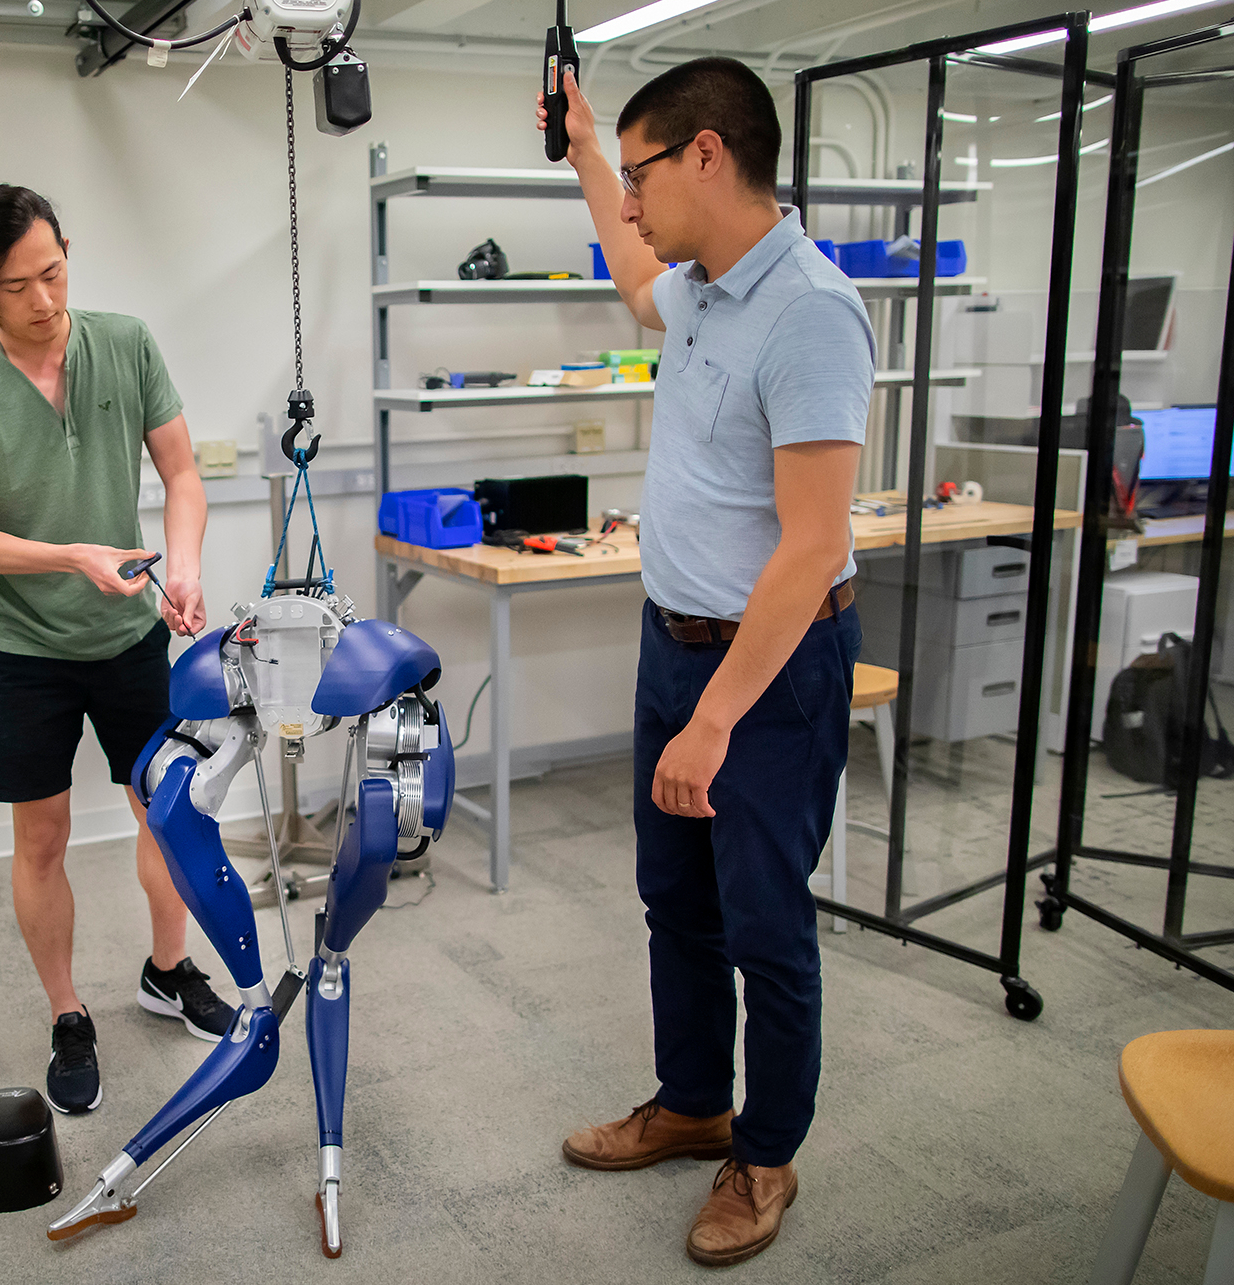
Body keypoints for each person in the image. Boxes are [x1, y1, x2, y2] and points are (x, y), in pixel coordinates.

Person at [539, 59, 873, 1266]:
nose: (629, 204)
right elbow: (633, 282)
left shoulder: (813, 313)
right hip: (674, 645)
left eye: (639, 175)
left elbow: (811, 547)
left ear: (708, 155)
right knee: (674, 903)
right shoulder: (702, 287)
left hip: (768, 676)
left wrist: (716, 719)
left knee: (765, 927)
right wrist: (582, 148)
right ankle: (692, 1103)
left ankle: (765, 1154)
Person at [0, 184, 235, 1117]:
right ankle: (67, 1015)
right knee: (41, 836)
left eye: (53, 272)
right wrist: (69, 555)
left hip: (127, 631)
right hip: (17, 645)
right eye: (18, 287)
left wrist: (183, 564)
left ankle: (167, 971)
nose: (45, 300)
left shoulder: (124, 343)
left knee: (165, 812)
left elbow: (179, 470)